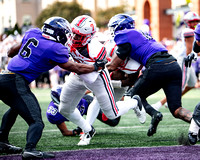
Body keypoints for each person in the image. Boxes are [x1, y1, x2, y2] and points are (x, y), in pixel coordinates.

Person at [0, 17, 105, 159]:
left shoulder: (33, 33)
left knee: (15, 109)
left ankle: (2, 141)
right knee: (36, 121)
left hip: (4, 77)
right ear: (59, 33)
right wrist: (95, 66)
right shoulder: (54, 47)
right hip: (17, 81)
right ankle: (30, 149)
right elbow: (75, 67)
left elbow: (11, 52)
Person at [58, 15, 146, 146]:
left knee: (112, 114)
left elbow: (96, 69)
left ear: (88, 36)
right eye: (73, 34)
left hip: (96, 78)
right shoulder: (69, 39)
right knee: (64, 109)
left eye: (79, 36)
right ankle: (88, 130)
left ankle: (134, 102)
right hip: (77, 75)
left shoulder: (96, 49)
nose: (74, 38)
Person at [106, 13, 193, 137]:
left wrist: (94, 69)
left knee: (133, 95)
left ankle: (154, 113)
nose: (112, 31)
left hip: (157, 66)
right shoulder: (141, 34)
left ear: (121, 27)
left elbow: (112, 66)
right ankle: (195, 122)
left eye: (113, 27)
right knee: (176, 109)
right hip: (173, 65)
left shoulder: (124, 35)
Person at [152, 11, 200, 110]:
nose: (195, 24)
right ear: (187, 22)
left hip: (188, 60)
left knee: (192, 83)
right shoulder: (188, 31)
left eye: (196, 21)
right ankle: (159, 104)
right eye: (192, 21)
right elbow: (189, 52)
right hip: (184, 60)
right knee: (180, 86)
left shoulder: (193, 31)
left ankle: (170, 101)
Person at [46, 85, 121, 136]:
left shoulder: (74, 93)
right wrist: (77, 131)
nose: (69, 100)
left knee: (113, 121)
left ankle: (120, 98)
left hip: (87, 103)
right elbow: (65, 132)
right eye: (65, 99)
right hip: (79, 110)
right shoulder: (53, 113)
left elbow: (87, 89)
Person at [187, 23, 200, 145]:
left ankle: (193, 131)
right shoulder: (197, 43)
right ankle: (194, 131)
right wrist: (193, 55)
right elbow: (197, 51)